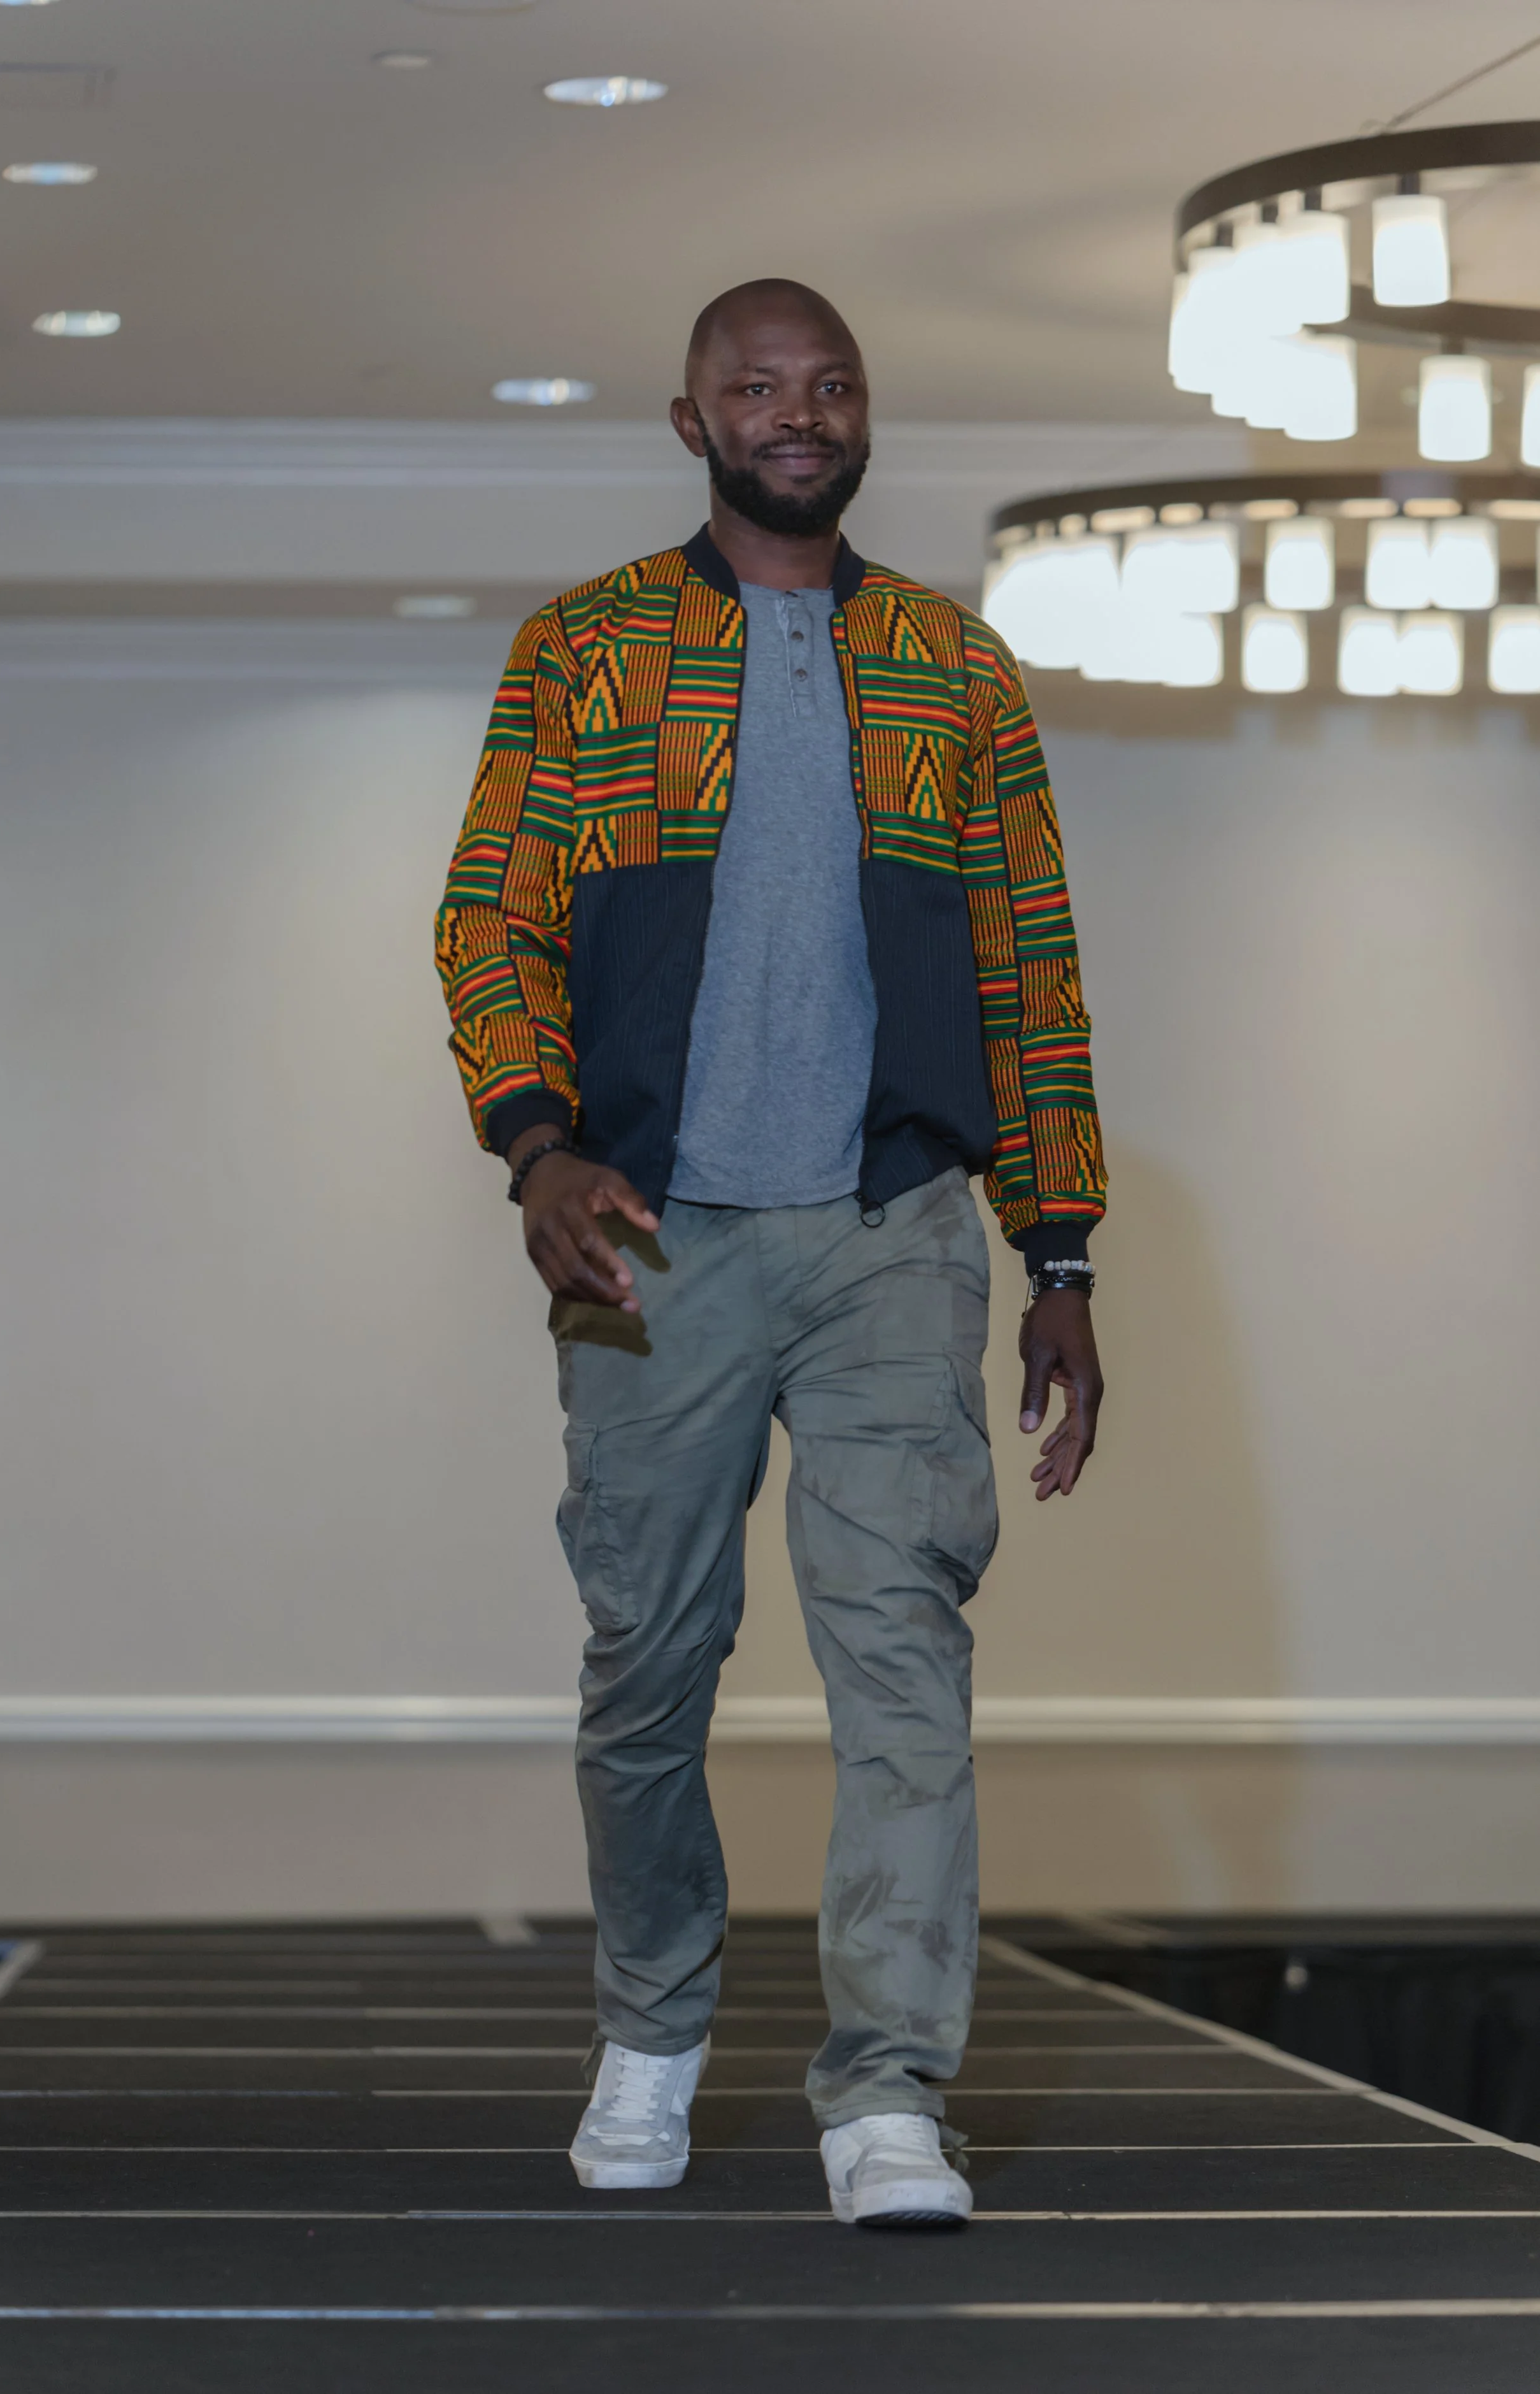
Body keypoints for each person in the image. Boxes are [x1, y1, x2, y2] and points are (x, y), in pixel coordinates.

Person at [435, 278, 1106, 2229]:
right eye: (755, 387)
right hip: (646, 1233)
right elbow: (490, 916)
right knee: (648, 1659)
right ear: (692, 421)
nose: (796, 412)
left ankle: (887, 2088)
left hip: (893, 1225)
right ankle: (651, 2028)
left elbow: (1029, 962)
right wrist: (536, 1144)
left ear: (864, 413)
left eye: (828, 384)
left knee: (903, 1660)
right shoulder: (585, 649)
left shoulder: (953, 667)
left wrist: (1059, 1250)